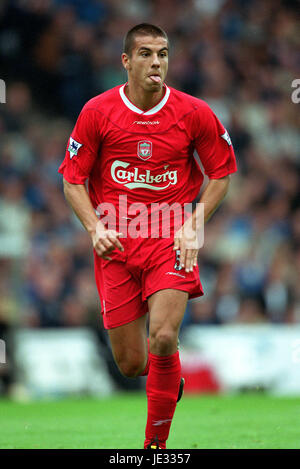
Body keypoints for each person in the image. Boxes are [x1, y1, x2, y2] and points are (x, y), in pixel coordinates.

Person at [58, 23, 237, 449]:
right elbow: (72, 180)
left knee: (162, 335)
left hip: (169, 240)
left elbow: (222, 173)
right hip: (117, 245)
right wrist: (95, 227)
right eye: (145, 54)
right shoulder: (97, 113)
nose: (156, 62)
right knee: (132, 363)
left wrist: (195, 222)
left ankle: (154, 448)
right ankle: (167, 374)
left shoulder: (194, 112)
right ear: (126, 61)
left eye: (163, 53)